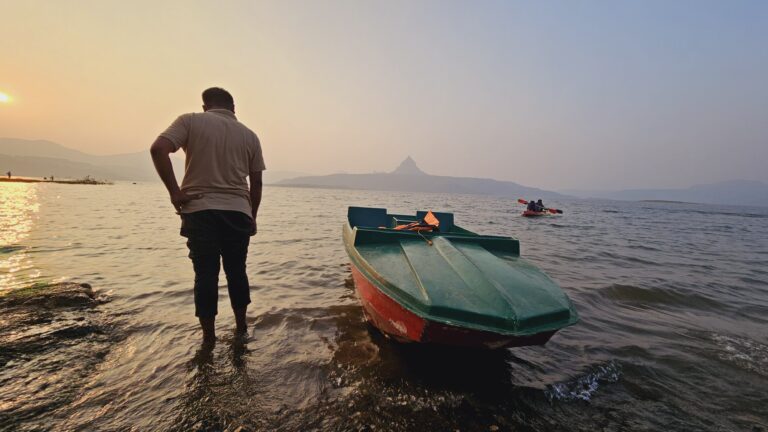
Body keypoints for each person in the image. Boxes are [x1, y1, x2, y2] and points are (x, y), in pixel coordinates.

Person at [150, 87, 265, 344]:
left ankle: (209, 338)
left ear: (205, 106)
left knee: (205, 274)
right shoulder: (250, 135)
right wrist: (252, 216)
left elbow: (158, 149)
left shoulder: (190, 120)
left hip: (199, 211)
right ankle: (241, 329)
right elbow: (256, 183)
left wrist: (174, 192)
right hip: (237, 212)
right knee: (237, 272)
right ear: (233, 108)